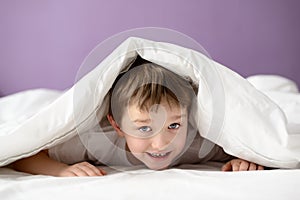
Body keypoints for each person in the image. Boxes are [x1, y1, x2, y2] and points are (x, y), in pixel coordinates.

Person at [10, 58, 264, 176]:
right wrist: (61, 171)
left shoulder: (197, 143)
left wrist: (243, 157)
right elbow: (24, 153)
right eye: (144, 129)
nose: (162, 143)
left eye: (174, 125)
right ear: (117, 126)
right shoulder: (97, 138)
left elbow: (241, 139)